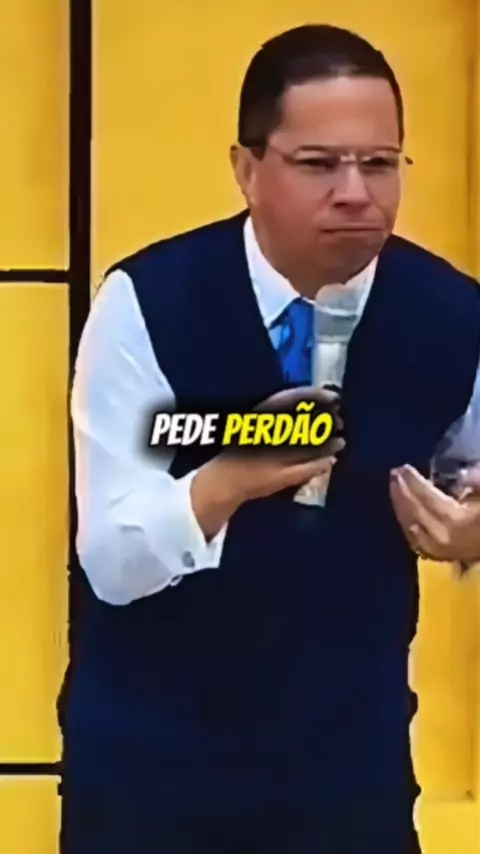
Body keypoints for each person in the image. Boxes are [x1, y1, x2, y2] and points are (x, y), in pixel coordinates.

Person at [60, 24, 480, 854]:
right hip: (151, 769)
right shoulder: (147, 301)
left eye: (380, 163)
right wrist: (227, 480)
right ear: (247, 168)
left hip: (349, 768)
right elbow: (110, 557)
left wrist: (470, 530)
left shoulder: (452, 314)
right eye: (319, 164)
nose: (356, 193)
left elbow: (468, 470)